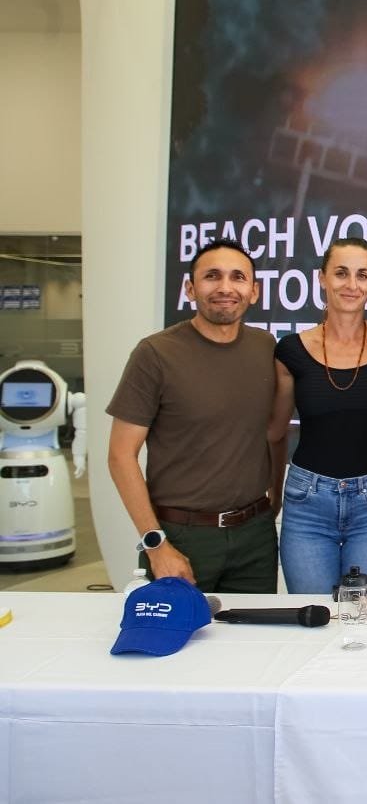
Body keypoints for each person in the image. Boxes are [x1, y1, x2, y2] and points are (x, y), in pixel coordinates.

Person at [106, 239, 282, 593]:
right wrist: (156, 544)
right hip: (182, 537)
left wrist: (273, 500)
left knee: (254, 646)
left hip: (255, 536)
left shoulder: (266, 347)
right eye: (211, 276)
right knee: (178, 645)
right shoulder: (155, 353)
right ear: (190, 288)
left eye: (238, 278)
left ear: (254, 291)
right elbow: (120, 456)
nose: (225, 288)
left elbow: (272, 433)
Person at [268, 238, 367, 594]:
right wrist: (272, 492)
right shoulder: (291, 350)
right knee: (313, 618)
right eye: (341, 273)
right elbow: (275, 432)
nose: (351, 285)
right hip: (307, 503)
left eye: (362, 275)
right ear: (321, 278)